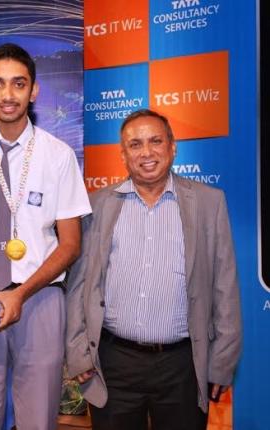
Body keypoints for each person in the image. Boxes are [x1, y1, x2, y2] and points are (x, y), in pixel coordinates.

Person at [0, 43, 91, 429]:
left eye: (18, 84)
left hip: (40, 297)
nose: (7, 94)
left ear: (34, 90)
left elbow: (71, 243)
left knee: (38, 419)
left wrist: (20, 294)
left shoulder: (58, 155)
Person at [65, 109, 242, 430]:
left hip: (183, 366)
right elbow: (78, 285)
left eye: (155, 141)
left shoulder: (209, 202)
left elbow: (225, 287)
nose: (146, 152)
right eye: (135, 145)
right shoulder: (97, 205)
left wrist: (222, 361)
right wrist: (78, 352)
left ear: (172, 147)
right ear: (123, 155)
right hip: (113, 364)